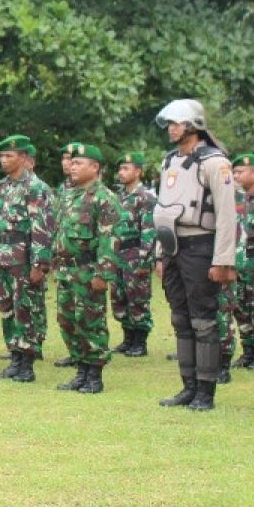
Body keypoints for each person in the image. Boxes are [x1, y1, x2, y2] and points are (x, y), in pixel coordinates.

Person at [153, 99, 237, 412]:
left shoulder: (214, 162)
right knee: (180, 318)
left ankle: (206, 391)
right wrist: (161, 253)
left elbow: (228, 215)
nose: (172, 129)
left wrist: (222, 260)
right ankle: (188, 386)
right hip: (174, 246)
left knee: (203, 321)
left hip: (201, 245)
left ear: (193, 125)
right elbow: (163, 209)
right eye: (170, 123)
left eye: (177, 123)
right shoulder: (169, 161)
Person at [53, 144, 121, 393]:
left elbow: (109, 238)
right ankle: (81, 369)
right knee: (68, 321)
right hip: (66, 271)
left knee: (90, 321)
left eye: (79, 163)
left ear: (95, 167)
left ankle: (94, 374)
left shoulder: (104, 198)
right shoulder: (69, 195)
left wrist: (103, 273)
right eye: (72, 162)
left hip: (88, 270)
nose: (72, 166)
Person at [0, 134, 55, 383]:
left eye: (9, 155)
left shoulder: (36, 188)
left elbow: (42, 228)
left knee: (25, 310)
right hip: (4, 259)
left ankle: (27, 363)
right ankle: (15, 358)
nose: (4, 160)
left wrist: (40, 264)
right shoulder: (2, 187)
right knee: (6, 310)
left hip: (24, 260)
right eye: (2, 156)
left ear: (24, 158)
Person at [110, 151, 156, 358]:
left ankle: (140, 341)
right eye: (120, 168)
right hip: (118, 253)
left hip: (135, 252)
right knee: (119, 296)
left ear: (138, 172)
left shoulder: (145, 197)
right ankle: (127, 338)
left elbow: (149, 229)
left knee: (137, 297)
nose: (121, 172)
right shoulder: (118, 196)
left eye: (126, 168)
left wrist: (146, 258)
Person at [230, 154, 254, 370]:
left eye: (240, 172)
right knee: (239, 307)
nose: (236, 176)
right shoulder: (235, 199)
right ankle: (248, 350)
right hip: (238, 262)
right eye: (234, 172)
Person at [52, 142, 84, 368]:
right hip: (64, 265)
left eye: (73, 160)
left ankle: (89, 365)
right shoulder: (64, 190)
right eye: (65, 158)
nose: (68, 164)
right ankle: (75, 354)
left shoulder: (97, 194)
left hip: (85, 265)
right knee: (66, 315)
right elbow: (57, 228)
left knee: (86, 316)